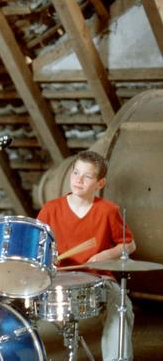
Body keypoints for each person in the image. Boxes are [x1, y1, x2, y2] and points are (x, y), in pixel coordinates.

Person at [37, 150, 136, 360]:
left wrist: (106, 254)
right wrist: (46, 257)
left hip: (99, 279)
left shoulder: (108, 211)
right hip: (58, 278)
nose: (79, 180)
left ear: (100, 184)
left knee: (121, 306)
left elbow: (130, 244)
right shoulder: (50, 209)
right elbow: (36, 246)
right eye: (76, 173)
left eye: (87, 176)